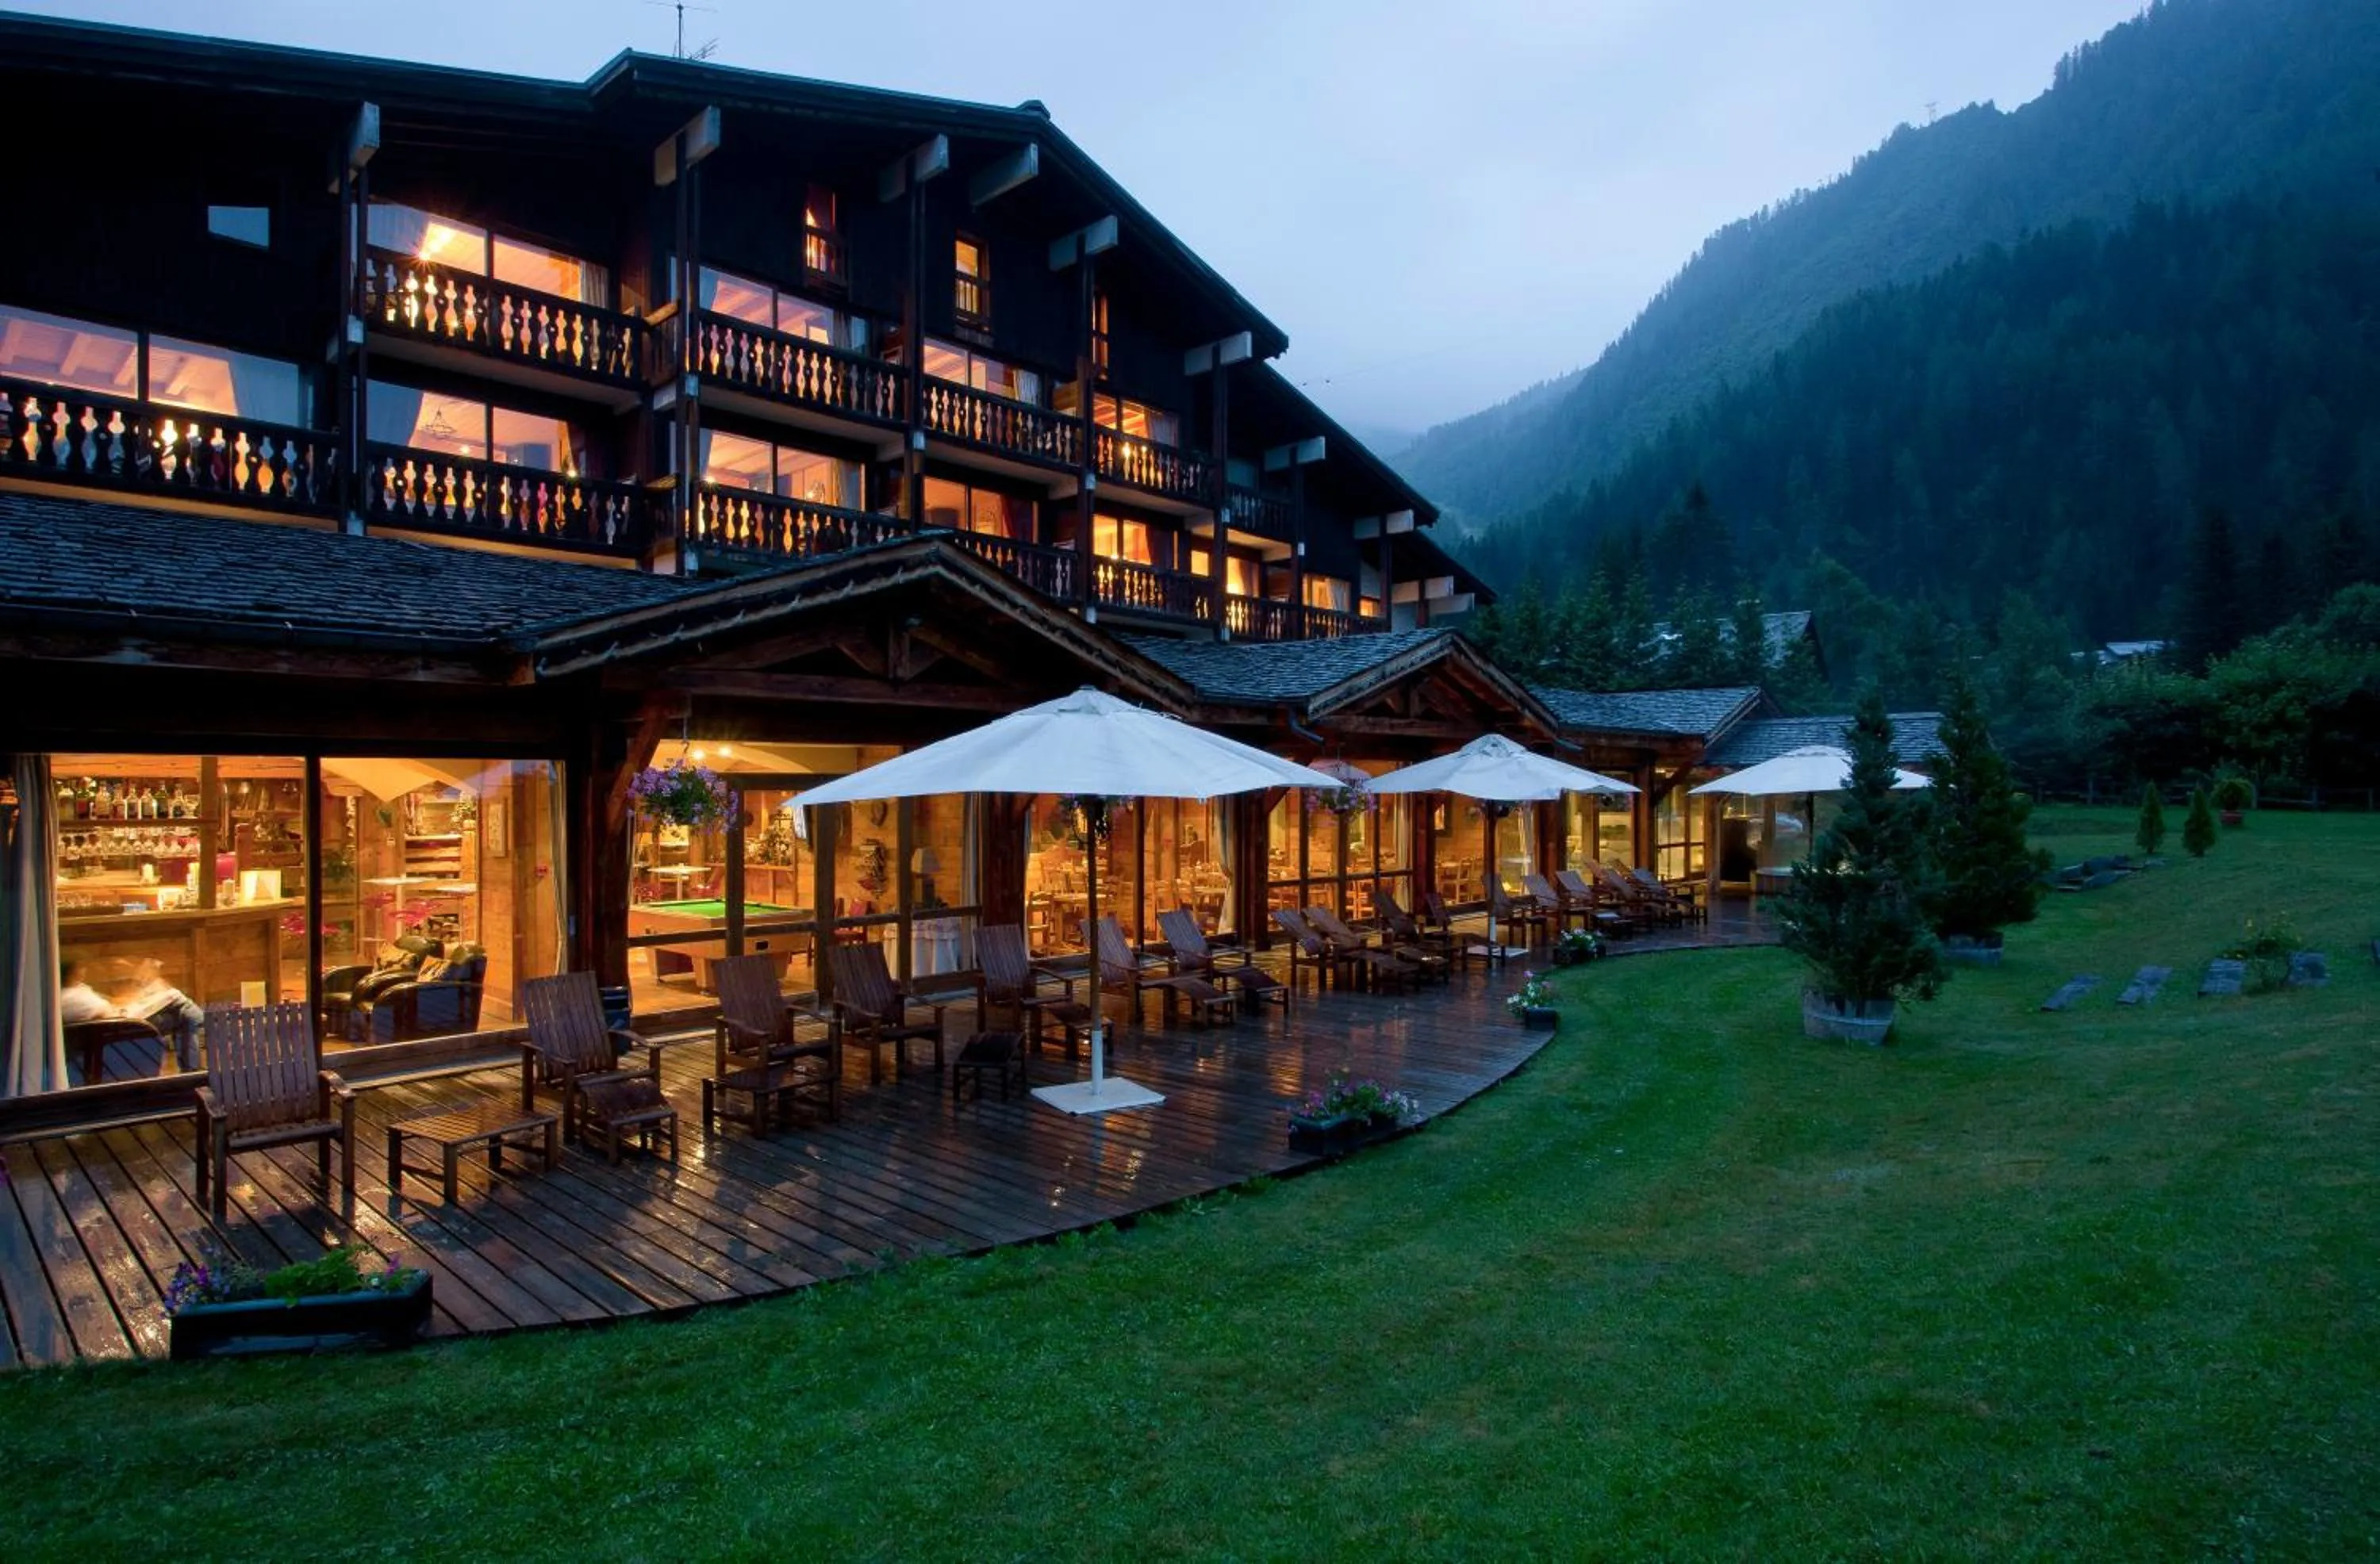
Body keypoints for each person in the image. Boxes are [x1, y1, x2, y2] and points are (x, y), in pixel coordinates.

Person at [60, 957, 205, 1073]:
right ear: (72, 973)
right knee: (177, 1000)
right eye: (80, 968)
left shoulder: (73, 991)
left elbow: (105, 1004)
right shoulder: (72, 997)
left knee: (181, 1015)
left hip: (115, 1023)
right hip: (120, 1026)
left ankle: (191, 1070)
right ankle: (194, 1063)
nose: (84, 970)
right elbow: (103, 1013)